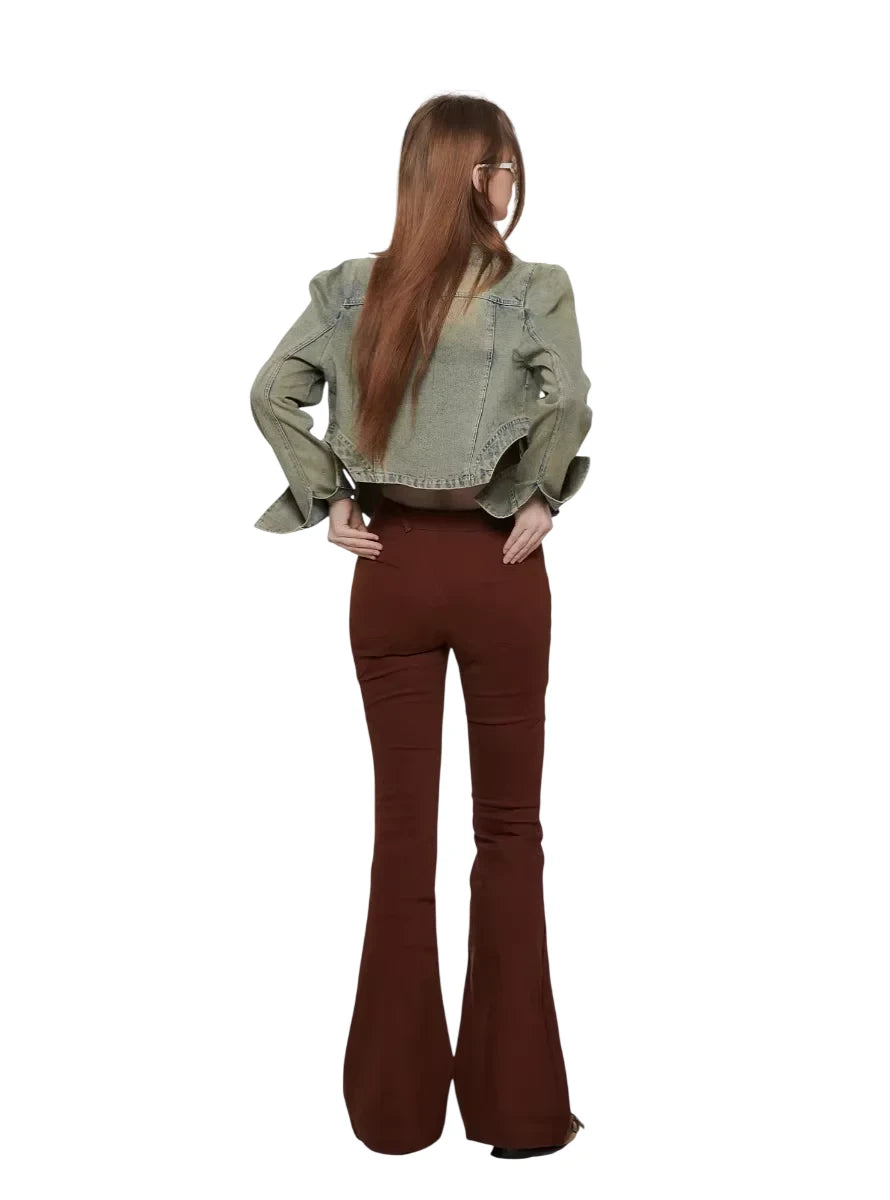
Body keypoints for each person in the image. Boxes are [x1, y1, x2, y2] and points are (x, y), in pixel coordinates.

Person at [249, 93, 591, 1158]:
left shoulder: (352, 290)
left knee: (403, 834)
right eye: (500, 165)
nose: (511, 183)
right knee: (510, 832)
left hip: (388, 567)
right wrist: (541, 495)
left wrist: (331, 497)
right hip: (497, 568)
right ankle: (517, 1108)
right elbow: (571, 399)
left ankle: (394, 1114)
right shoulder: (533, 290)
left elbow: (271, 394)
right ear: (468, 178)